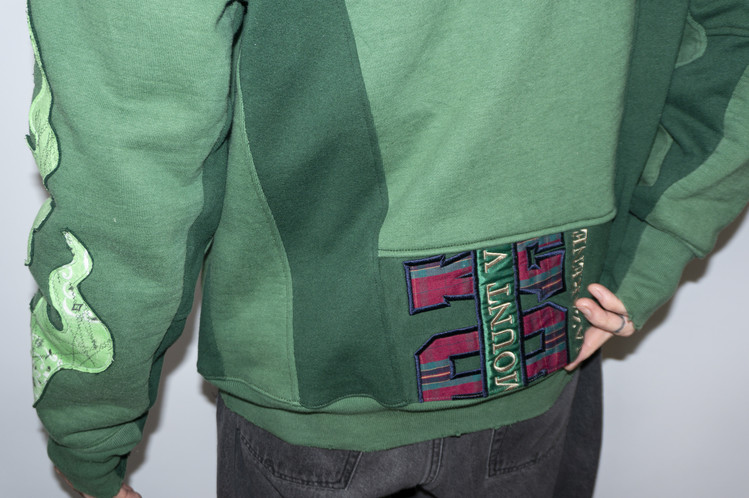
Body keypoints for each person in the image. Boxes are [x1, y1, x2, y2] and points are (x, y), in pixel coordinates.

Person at [24, 1, 749, 497]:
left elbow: (129, 154)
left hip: (318, 397)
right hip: (536, 352)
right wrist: (645, 252)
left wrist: (89, 432)